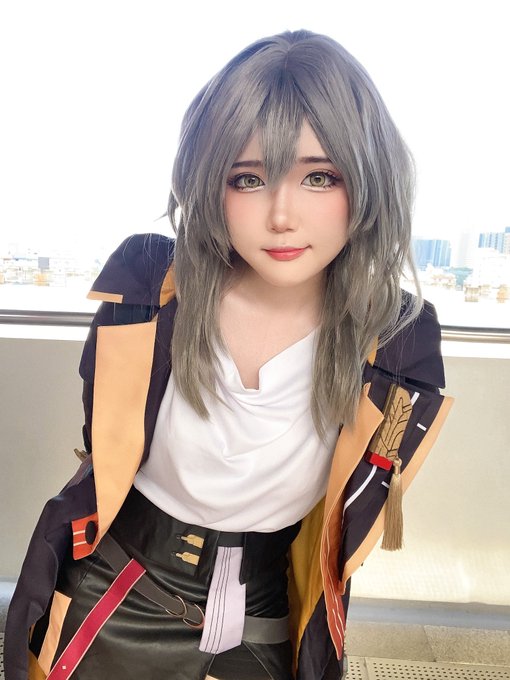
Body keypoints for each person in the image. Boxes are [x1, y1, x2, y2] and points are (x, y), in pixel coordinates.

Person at [5, 29, 452, 680]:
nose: (281, 215)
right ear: (210, 182)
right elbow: (107, 444)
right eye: (249, 178)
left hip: (267, 607)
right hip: (120, 589)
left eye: (319, 177)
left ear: (368, 180)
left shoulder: (396, 342)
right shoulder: (151, 293)